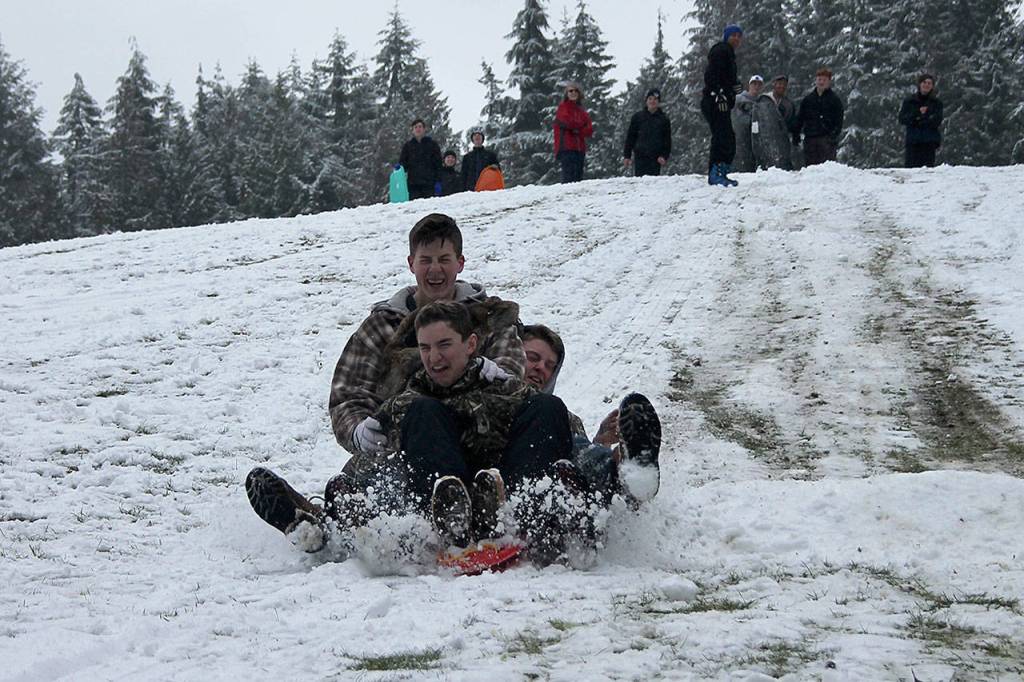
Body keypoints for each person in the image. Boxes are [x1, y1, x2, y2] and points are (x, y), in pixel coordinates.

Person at [244, 213, 526, 551]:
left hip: (479, 437)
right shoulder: (383, 326)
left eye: (444, 260)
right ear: (411, 264)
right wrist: (359, 431)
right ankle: (319, 524)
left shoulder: (487, 318)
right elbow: (347, 392)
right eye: (426, 260)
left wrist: (487, 372)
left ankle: (355, 527)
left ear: (460, 263)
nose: (435, 270)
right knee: (374, 483)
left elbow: (514, 374)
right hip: (403, 446)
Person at [373, 302, 588, 560]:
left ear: (471, 344)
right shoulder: (406, 404)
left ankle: (531, 515)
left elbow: (563, 425)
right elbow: (376, 460)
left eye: (444, 345)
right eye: (425, 348)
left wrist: (593, 454)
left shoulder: (498, 384)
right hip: (446, 512)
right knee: (422, 414)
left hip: (507, 495)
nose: (433, 357)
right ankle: (450, 516)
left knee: (547, 406)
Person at [521, 324, 662, 507]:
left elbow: (577, 464)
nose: (541, 368)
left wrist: (601, 442)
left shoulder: (565, 418)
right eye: (533, 358)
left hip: (553, 499)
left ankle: (627, 472)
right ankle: (618, 474)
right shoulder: (493, 397)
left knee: (576, 452)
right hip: (510, 481)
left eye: (550, 366)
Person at [701, 24, 744, 186]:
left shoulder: (729, 55)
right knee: (724, 137)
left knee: (724, 136)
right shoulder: (721, 51)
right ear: (726, 36)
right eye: (733, 35)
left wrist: (733, 87)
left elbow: (724, 76)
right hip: (715, 101)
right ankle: (717, 172)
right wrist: (718, 94)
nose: (736, 38)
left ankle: (718, 171)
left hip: (720, 100)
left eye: (739, 36)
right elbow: (712, 74)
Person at [795, 68, 844, 167]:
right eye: (819, 79)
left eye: (824, 80)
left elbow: (839, 120)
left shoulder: (835, 100)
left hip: (827, 140)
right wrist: (796, 135)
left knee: (827, 170)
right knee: (811, 170)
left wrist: (833, 135)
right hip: (810, 140)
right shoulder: (808, 100)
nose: (821, 82)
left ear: (829, 82)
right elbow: (800, 118)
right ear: (816, 81)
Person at [623, 88, 672, 177]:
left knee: (653, 184)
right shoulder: (637, 117)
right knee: (640, 183)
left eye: (655, 99)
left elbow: (667, 140)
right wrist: (627, 156)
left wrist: (664, 156)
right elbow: (630, 137)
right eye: (650, 99)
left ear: (659, 102)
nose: (652, 101)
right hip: (640, 156)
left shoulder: (664, 119)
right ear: (646, 101)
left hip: (656, 158)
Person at [898, 74, 943, 168]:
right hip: (913, 141)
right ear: (919, 84)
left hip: (929, 141)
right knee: (911, 170)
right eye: (924, 82)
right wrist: (917, 115)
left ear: (932, 86)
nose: (926, 85)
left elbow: (937, 120)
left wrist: (926, 117)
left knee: (927, 171)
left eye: (929, 83)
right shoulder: (909, 101)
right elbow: (902, 119)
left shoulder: (936, 103)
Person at [553, 81, 594, 183]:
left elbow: (589, 130)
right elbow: (567, 122)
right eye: (570, 91)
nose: (573, 93)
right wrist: (580, 126)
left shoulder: (582, 111)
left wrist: (577, 130)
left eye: (576, 91)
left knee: (578, 177)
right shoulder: (563, 107)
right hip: (566, 147)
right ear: (566, 94)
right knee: (568, 177)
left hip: (580, 148)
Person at [398, 119, 443, 200]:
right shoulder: (408, 146)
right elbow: (403, 162)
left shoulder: (432, 144)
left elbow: (438, 164)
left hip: (429, 183)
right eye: (415, 127)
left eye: (420, 127)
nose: (418, 129)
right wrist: (399, 168)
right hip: (413, 184)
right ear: (412, 130)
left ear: (424, 129)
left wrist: (438, 181)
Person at [731, 75, 764, 173]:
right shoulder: (738, 99)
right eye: (754, 84)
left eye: (759, 85)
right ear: (749, 85)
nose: (756, 87)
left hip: (755, 139)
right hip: (739, 138)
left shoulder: (762, 103)